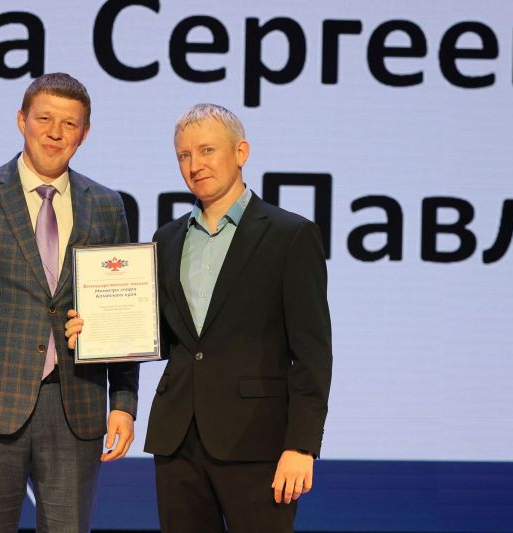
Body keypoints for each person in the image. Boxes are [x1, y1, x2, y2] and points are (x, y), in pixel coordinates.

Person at [67, 103, 331, 532]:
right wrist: (95, 328)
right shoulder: (167, 239)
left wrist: (301, 445)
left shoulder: (291, 234)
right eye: (184, 155)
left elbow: (313, 353)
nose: (195, 165)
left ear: (241, 152)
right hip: (177, 441)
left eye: (207, 150)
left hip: (257, 441)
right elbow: (159, 334)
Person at [0, 72, 139, 533]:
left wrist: (123, 400)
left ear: (84, 133)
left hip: (76, 406)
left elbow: (123, 307)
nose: (55, 133)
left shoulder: (106, 204)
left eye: (69, 123)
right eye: (44, 119)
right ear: (22, 120)